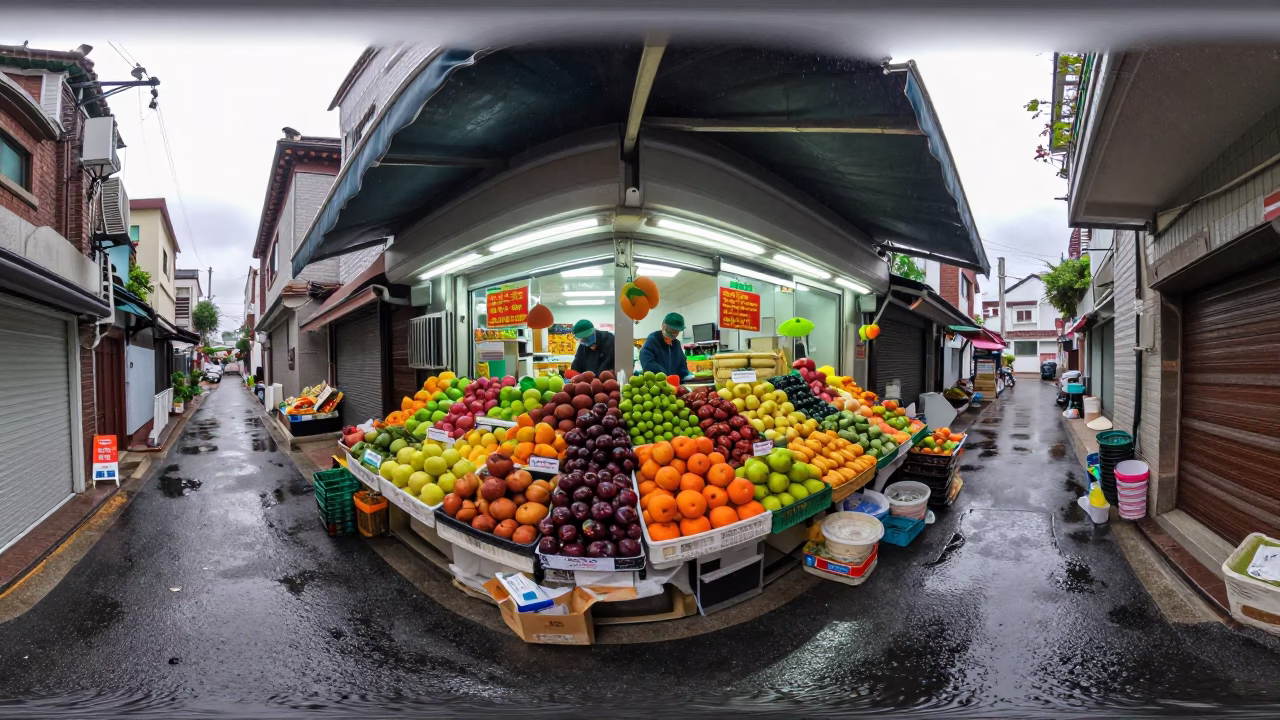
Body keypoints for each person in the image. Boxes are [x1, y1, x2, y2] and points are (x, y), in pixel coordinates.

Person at [638, 312, 692, 380]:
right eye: (672, 330)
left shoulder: (676, 344)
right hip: (658, 385)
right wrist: (665, 376)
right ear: (664, 326)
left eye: (677, 331)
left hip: (676, 385)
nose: (674, 334)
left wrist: (685, 375)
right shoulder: (652, 341)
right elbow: (647, 363)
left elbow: (682, 363)